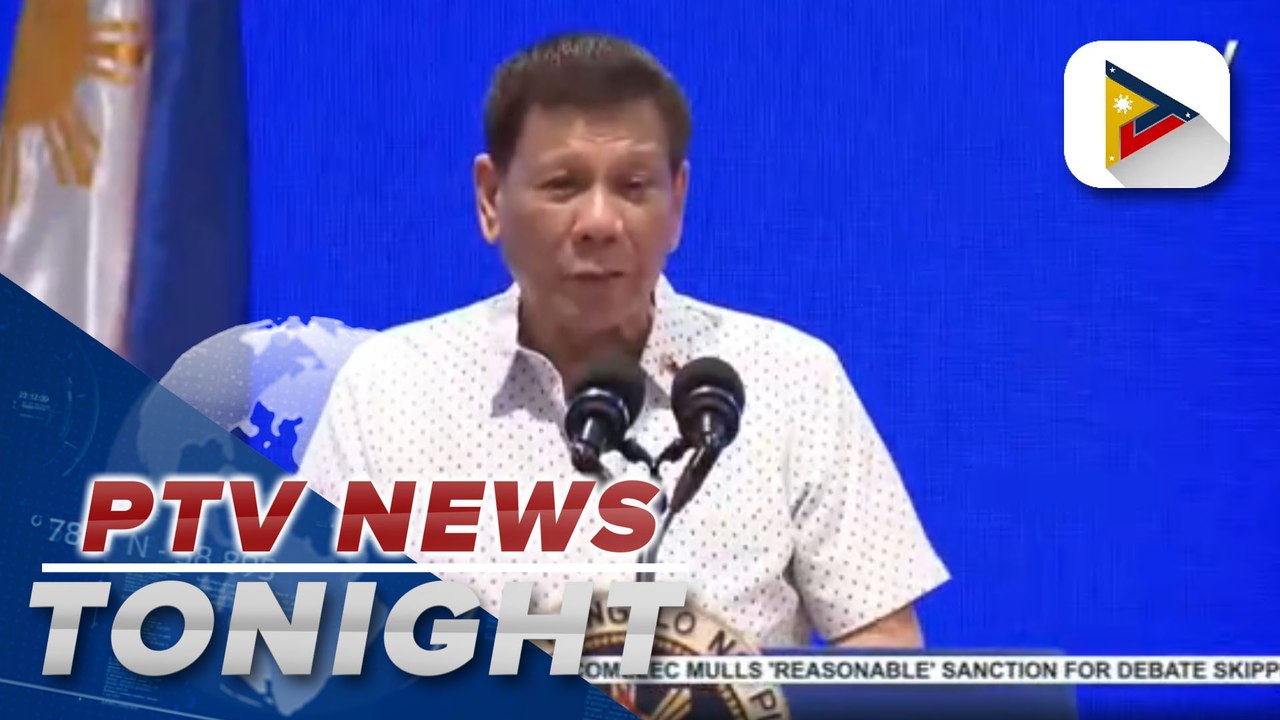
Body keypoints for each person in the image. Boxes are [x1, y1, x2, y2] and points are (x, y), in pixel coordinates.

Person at [301, 32, 948, 649]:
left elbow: (883, 648)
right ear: (492, 199)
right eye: (563, 186)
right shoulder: (389, 390)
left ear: (677, 202)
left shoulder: (790, 381)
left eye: (633, 187)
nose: (600, 222)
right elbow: (308, 645)